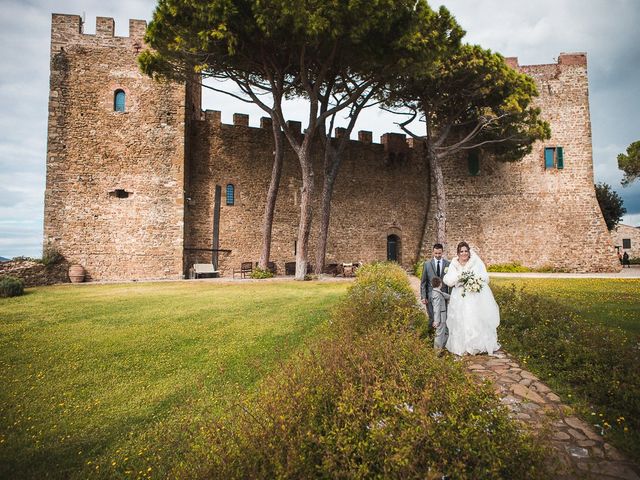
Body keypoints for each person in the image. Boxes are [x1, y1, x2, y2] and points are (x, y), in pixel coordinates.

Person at [443, 241, 500, 356]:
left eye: (466, 251)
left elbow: (484, 277)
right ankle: (462, 345)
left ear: (469, 252)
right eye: (461, 251)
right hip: (459, 296)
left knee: (474, 318)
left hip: (473, 296)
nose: (464, 253)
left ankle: (477, 345)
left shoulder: (475, 262)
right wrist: (459, 279)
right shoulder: (454, 264)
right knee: (460, 318)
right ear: (458, 253)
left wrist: (473, 281)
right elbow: (448, 280)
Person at [420, 243, 450, 327]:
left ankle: (442, 336)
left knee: (443, 317)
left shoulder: (448, 264)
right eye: (436, 253)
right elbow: (423, 282)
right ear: (433, 252)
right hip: (430, 296)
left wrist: (449, 296)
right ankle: (430, 337)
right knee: (432, 317)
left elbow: (450, 282)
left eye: (439, 253)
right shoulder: (427, 264)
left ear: (442, 252)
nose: (437, 255)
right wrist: (423, 296)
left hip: (443, 296)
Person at [430, 276, 450, 351]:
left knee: (446, 333)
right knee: (439, 335)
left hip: (443, 317)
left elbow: (446, 296)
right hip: (440, 318)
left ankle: (442, 348)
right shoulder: (437, 294)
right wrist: (436, 321)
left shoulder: (437, 292)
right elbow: (436, 308)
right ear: (441, 284)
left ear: (432, 285)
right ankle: (436, 353)